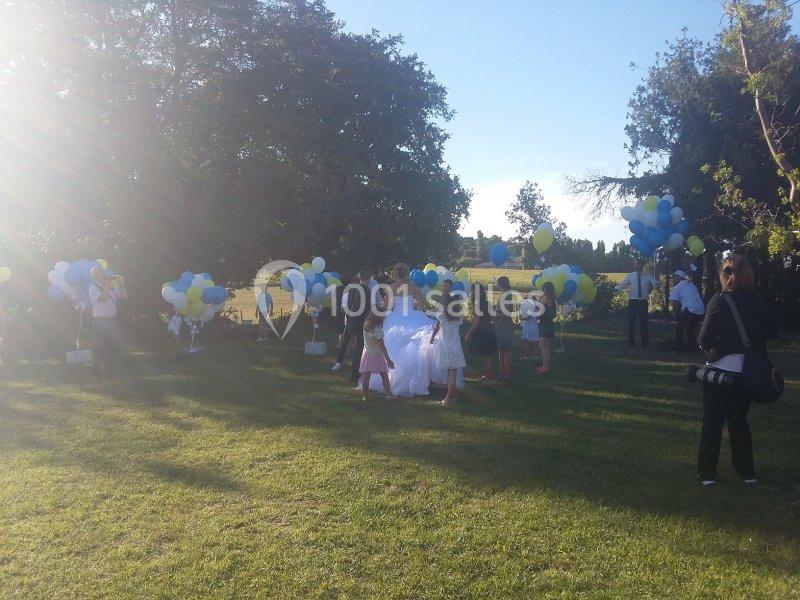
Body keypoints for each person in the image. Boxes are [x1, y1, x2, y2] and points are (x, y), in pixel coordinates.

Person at [696, 254, 776, 486]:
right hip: (749, 372)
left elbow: (704, 338)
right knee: (739, 421)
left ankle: (707, 474)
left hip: (721, 369)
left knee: (712, 422)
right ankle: (747, 472)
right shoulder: (757, 301)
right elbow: (772, 331)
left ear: (724, 275)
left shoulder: (719, 300)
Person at [366, 263, 435, 396]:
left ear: (396, 273)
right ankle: (418, 378)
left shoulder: (391, 288)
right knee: (419, 343)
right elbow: (421, 305)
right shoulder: (413, 287)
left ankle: (389, 376)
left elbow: (386, 307)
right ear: (407, 273)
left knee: (390, 344)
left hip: (395, 317)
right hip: (412, 316)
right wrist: (412, 304)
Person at [430, 280, 467, 406]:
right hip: (455, 346)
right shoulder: (458, 319)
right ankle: (453, 395)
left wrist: (431, 338)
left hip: (445, 346)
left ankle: (447, 399)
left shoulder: (442, 317)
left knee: (451, 373)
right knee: (453, 373)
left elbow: (436, 327)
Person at [332, 268, 371, 383]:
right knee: (359, 349)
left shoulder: (352, 290)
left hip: (350, 321)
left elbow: (347, 306)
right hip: (360, 323)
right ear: (368, 279)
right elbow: (367, 308)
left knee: (346, 342)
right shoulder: (367, 290)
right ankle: (355, 374)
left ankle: (341, 363)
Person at [88, 265, 127, 375]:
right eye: (101, 273)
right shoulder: (93, 287)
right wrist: (107, 286)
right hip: (99, 321)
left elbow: (124, 296)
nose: (104, 275)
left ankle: (110, 370)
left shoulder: (112, 288)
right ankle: (96, 371)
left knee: (112, 346)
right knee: (98, 346)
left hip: (111, 321)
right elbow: (103, 298)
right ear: (96, 275)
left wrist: (122, 284)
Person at [615, 259, 658, 347]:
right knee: (631, 323)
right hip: (633, 301)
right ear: (634, 265)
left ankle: (645, 343)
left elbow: (655, 284)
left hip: (643, 302)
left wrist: (656, 284)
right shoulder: (630, 275)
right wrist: (616, 289)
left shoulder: (647, 275)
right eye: (636, 264)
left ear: (642, 265)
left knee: (644, 323)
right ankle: (631, 343)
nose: (637, 265)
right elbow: (623, 284)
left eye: (639, 264)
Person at [359, 310, 396, 401]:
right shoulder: (377, 331)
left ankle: (365, 396)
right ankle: (388, 394)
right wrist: (388, 360)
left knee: (366, 376)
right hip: (377, 355)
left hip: (367, 354)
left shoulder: (366, 327)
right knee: (384, 375)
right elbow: (382, 347)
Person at [465, 283, 497, 381]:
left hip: (481, 333)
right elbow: (493, 318)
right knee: (486, 356)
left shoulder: (477, 305)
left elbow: (477, 322)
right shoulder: (488, 303)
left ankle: (489, 377)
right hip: (489, 330)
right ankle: (487, 375)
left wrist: (468, 333)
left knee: (485, 357)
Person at [669, 270, 705, 352]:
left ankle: (679, 349)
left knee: (679, 328)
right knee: (690, 329)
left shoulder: (677, 287)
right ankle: (692, 347)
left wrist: (675, 314)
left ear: (679, 278)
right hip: (701, 310)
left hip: (690, 309)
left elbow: (674, 303)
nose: (673, 279)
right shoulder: (692, 286)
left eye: (674, 277)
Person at [493, 276, 515, 381]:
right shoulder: (505, 295)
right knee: (501, 350)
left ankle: (507, 372)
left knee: (506, 350)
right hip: (501, 326)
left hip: (505, 326)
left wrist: (495, 313)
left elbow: (507, 314)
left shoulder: (506, 296)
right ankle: (502, 371)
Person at [537, 282, 556, 374]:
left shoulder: (547, 299)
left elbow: (543, 312)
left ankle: (545, 366)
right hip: (547, 324)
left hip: (546, 324)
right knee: (547, 345)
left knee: (542, 344)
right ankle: (546, 365)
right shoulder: (551, 298)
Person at [519, 293, 541, 362]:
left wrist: (522, 318)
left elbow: (528, 318)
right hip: (533, 326)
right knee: (533, 343)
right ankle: (535, 356)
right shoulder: (536, 308)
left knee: (529, 342)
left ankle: (527, 356)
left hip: (529, 327)